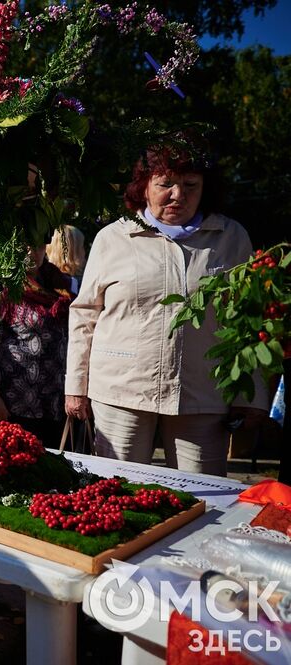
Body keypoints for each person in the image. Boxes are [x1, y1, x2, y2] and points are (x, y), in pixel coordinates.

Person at [65, 142, 269, 476]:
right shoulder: (112, 238)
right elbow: (85, 314)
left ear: (205, 189)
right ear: (143, 187)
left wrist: (253, 393)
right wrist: (75, 386)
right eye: (165, 184)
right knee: (117, 492)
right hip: (120, 392)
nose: (178, 195)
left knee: (203, 497)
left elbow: (250, 318)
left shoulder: (231, 238)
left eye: (191, 185)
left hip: (203, 393)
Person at [0, 246, 72, 446]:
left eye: (38, 244)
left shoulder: (58, 284)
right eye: (23, 244)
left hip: (54, 404)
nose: (32, 250)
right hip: (13, 406)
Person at [45, 225, 87, 295]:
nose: (84, 252)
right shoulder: (80, 285)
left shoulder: (43, 280)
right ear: (72, 253)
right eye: (82, 247)